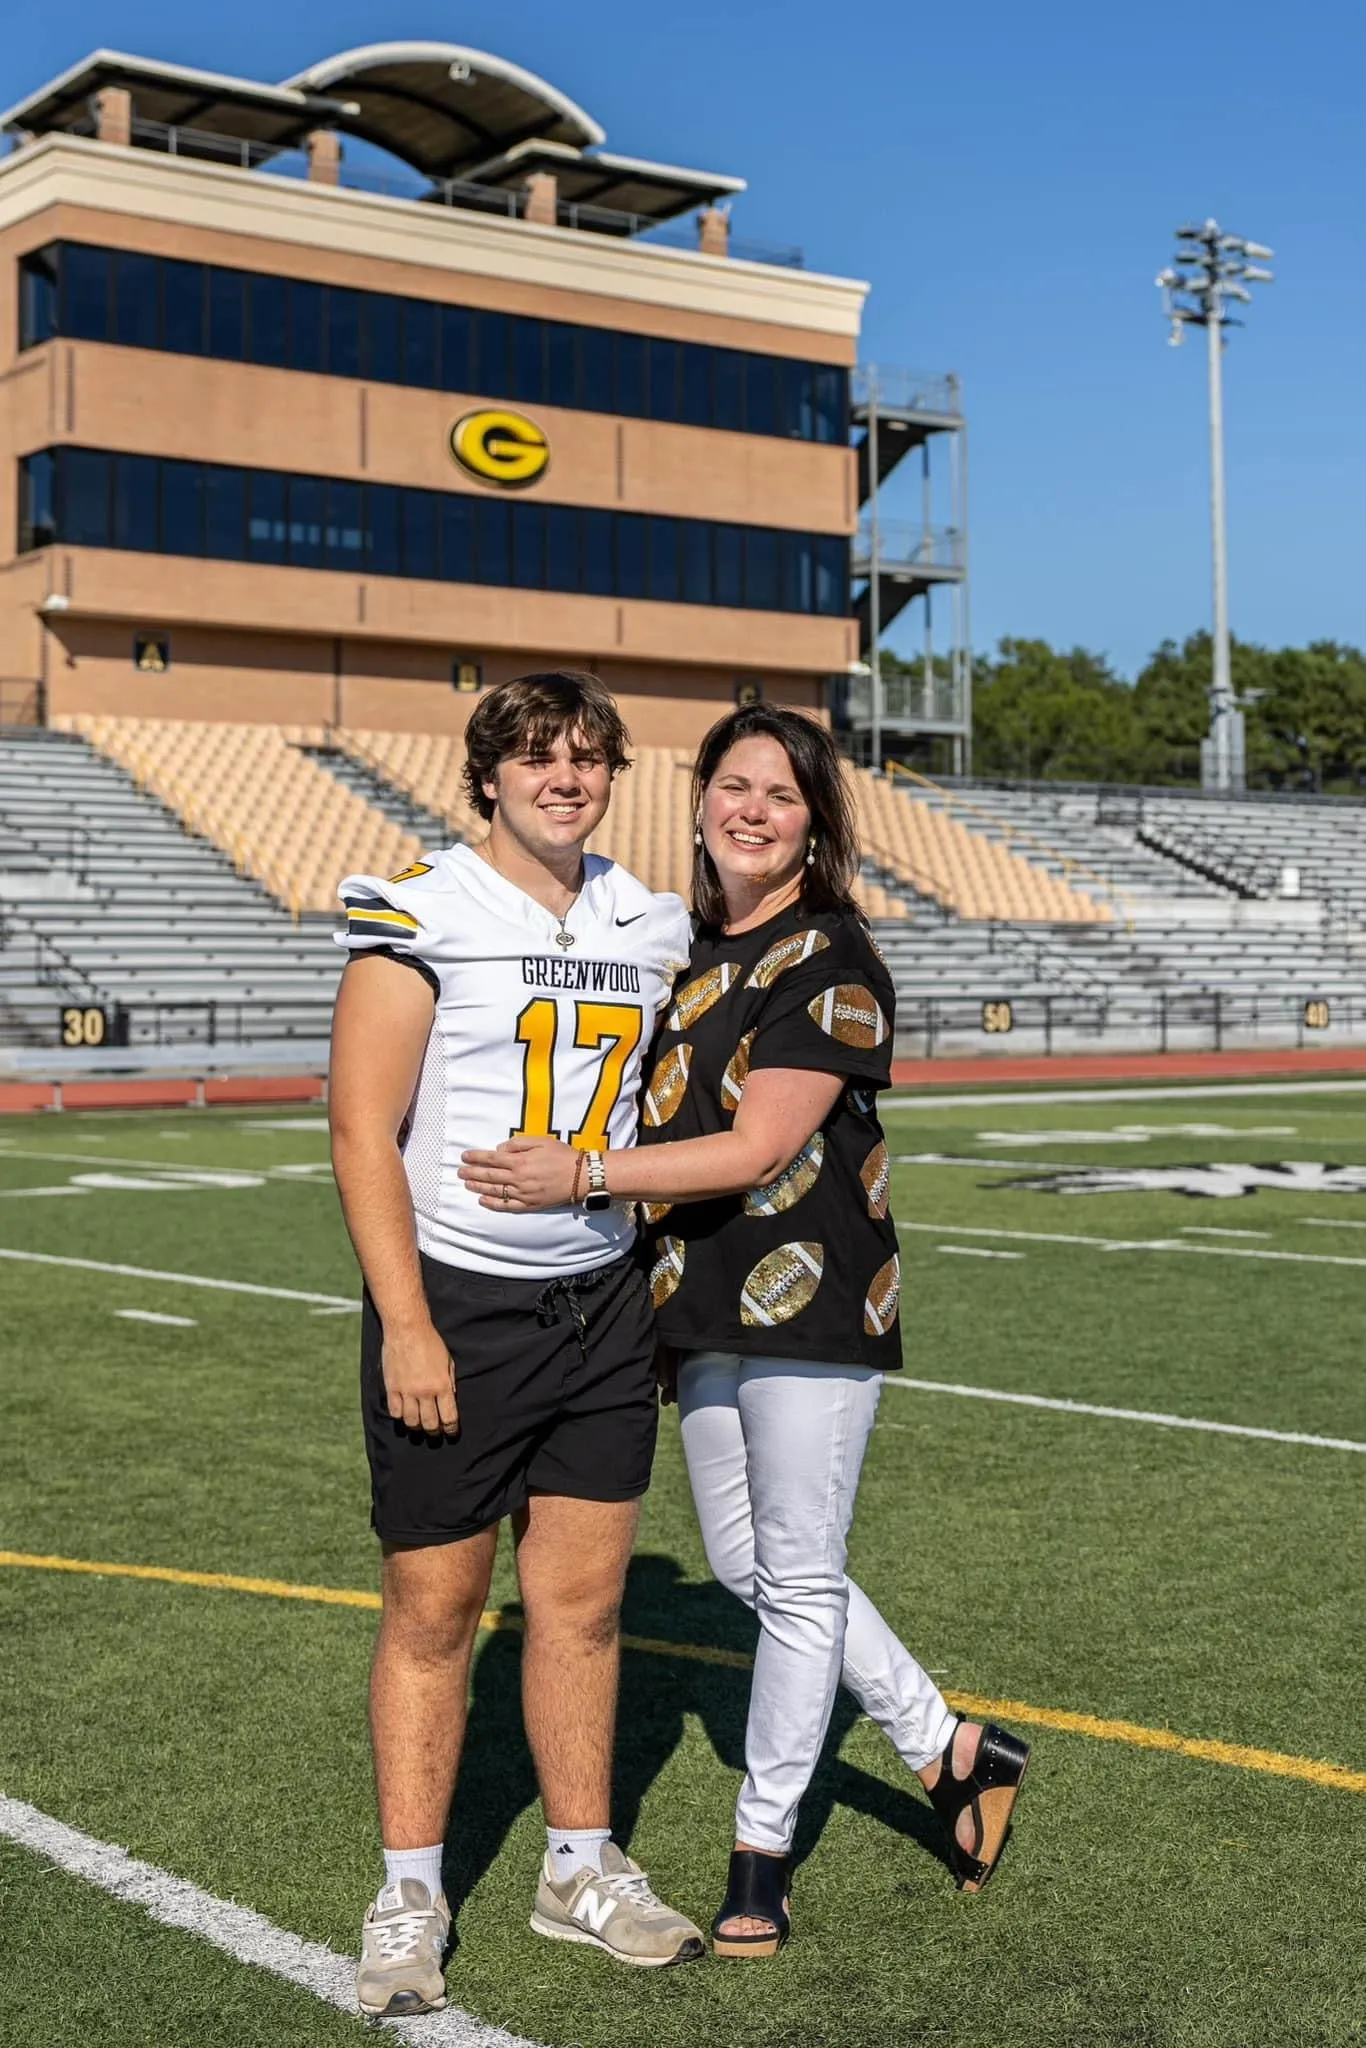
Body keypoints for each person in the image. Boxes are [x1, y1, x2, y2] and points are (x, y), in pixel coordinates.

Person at [459, 704, 1031, 1958]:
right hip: (699, 1302)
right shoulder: (691, 946)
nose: (753, 809)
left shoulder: (832, 957)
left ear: (814, 819)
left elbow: (763, 1143)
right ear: (702, 797)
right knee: (746, 1563)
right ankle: (946, 1743)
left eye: (782, 791)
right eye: (733, 784)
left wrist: (583, 1175)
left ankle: (759, 1846)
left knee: (799, 1576)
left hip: (814, 1299)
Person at [329, 670, 704, 2019]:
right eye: (538, 757)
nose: (565, 778)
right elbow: (359, 1131)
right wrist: (410, 1324)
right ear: (487, 775)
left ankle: (574, 1867)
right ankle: (411, 1890)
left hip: (599, 1304)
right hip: (460, 1302)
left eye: (589, 758)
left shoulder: (648, 918)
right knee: (433, 1614)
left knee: (585, 1606)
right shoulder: (422, 909)